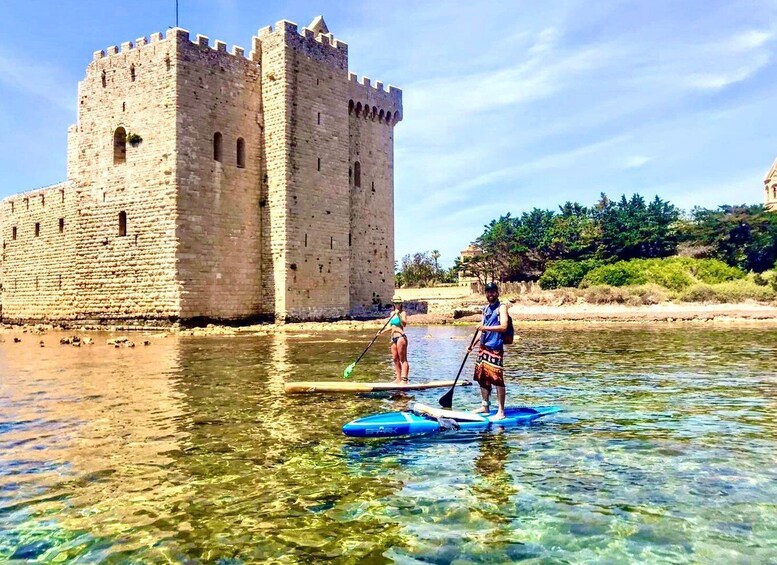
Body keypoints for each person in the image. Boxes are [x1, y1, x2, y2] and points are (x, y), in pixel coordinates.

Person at [468, 282, 509, 419]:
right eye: (488, 292)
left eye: (492, 292)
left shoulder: (501, 308)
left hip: (495, 348)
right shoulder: (485, 309)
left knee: (497, 380)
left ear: (497, 293)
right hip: (483, 348)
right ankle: (485, 406)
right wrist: (472, 344)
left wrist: (485, 328)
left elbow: (503, 326)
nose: (490, 294)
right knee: (482, 378)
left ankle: (501, 411)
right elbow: (482, 330)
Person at [378, 295, 410, 383]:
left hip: (401, 337)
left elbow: (404, 324)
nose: (397, 304)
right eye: (395, 303)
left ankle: (404, 380)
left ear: (401, 303)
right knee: (395, 358)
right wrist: (382, 332)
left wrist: (398, 315)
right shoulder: (392, 314)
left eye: (398, 303)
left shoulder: (403, 313)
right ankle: (398, 378)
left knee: (403, 359)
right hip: (393, 338)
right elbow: (390, 326)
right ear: (393, 303)